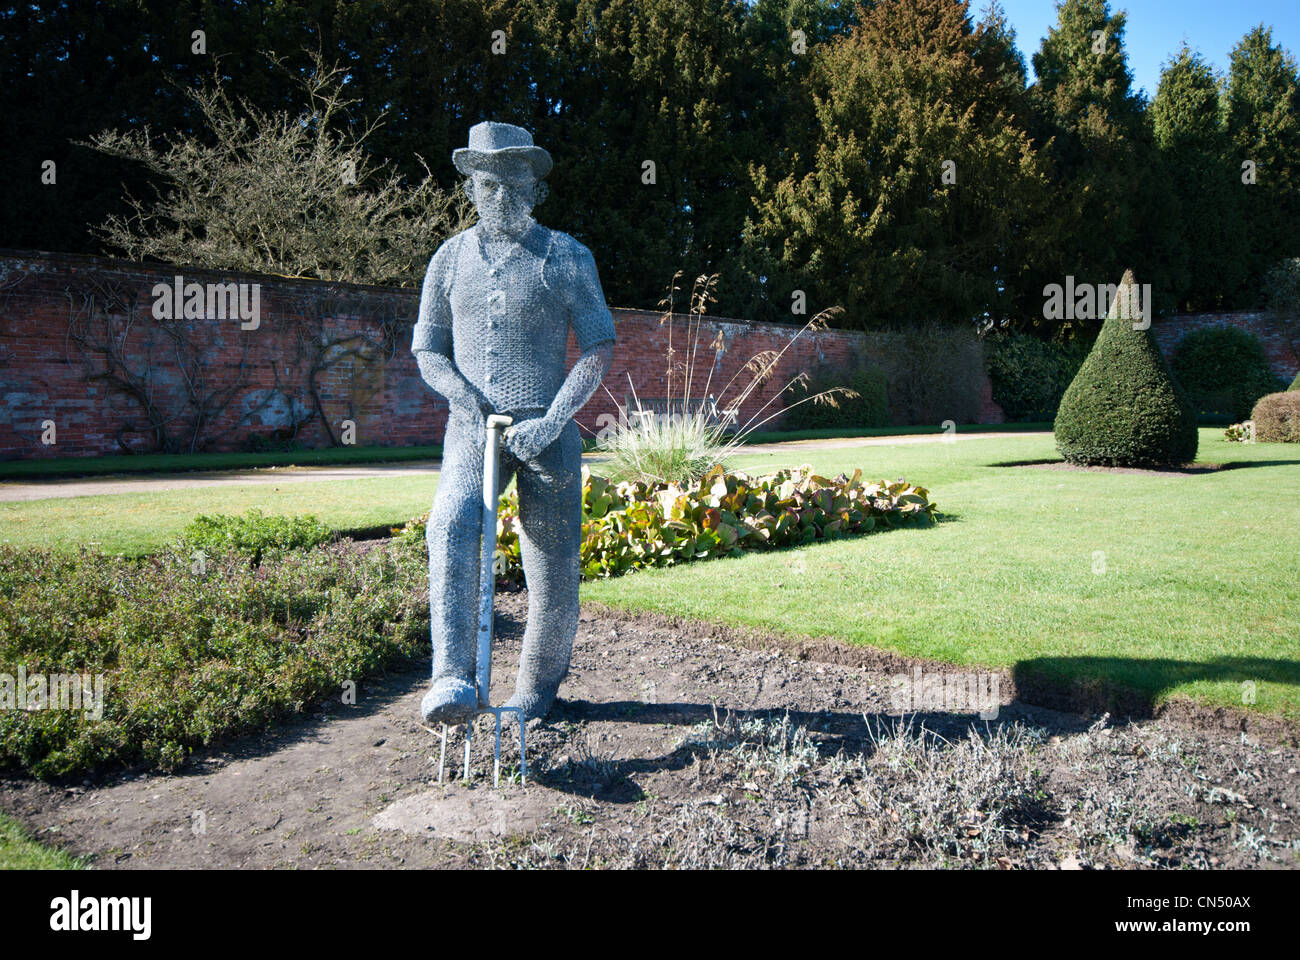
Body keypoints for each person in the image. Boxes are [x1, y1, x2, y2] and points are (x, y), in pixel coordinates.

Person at [411, 121, 614, 724]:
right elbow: (428, 348)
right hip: (473, 431)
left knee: (549, 562)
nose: (500, 197)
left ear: (534, 190)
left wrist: (554, 420)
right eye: (487, 184)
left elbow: (598, 346)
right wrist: (461, 397)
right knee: (450, 524)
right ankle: (452, 679)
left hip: (548, 434)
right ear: (471, 187)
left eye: (513, 185)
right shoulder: (448, 259)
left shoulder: (568, 257)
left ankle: (534, 691)